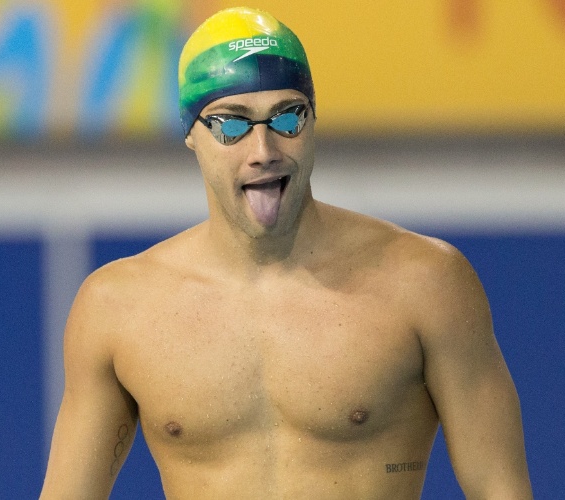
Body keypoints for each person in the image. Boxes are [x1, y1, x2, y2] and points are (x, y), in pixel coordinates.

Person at [41, 6, 531, 499]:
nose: (263, 149)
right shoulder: (118, 308)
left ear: (313, 120)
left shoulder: (425, 284)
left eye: (287, 117)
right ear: (192, 133)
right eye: (232, 124)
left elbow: (500, 487)